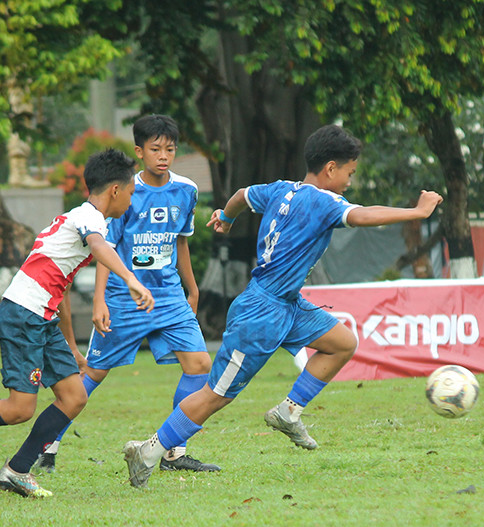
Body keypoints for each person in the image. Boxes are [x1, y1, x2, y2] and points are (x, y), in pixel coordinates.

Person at [122, 124, 443, 489]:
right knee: (216, 395)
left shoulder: (280, 189)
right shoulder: (325, 201)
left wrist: (226, 218)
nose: (349, 183)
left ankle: (289, 412)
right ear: (331, 169)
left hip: (287, 304)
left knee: (342, 343)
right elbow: (364, 215)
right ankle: (148, 450)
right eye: (349, 174)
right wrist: (417, 212)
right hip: (261, 312)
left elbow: (242, 194)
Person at [0, 148, 154, 498]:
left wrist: (71, 346)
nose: (131, 203)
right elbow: (101, 247)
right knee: (19, 409)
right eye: (131, 193)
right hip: (23, 314)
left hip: (42, 318)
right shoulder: (90, 219)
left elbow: (64, 291)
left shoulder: (81, 224)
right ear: (116, 190)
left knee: (73, 396)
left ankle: (16, 471)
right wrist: (131, 280)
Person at [36, 114, 220, 475]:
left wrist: (192, 288)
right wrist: (100, 300)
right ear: (139, 152)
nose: (163, 156)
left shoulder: (186, 190)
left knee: (200, 365)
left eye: (169, 149)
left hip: (168, 296)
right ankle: (47, 445)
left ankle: (172, 451)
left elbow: (180, 241)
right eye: (155, 149)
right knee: (93, 373)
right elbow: (106, 248)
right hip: (125, 298)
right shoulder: (125, 192)